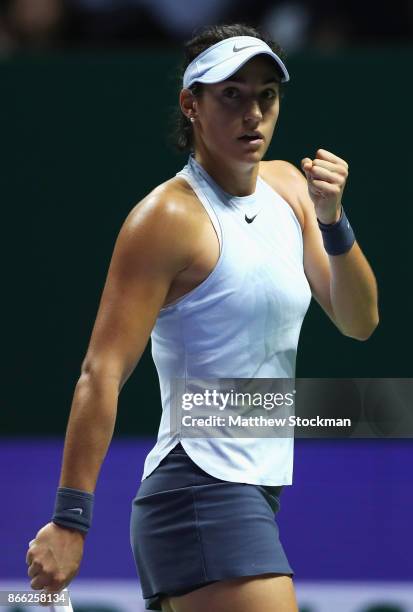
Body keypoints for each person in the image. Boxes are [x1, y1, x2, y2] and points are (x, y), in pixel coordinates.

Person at [26, 23, 379, 612]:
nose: (254, 114)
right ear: (191, 105)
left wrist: (333, 219)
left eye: (267, 95)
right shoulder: (166, 218)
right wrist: (70, 519)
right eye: (232, 95)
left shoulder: (291, 188)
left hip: (255, 487)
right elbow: (102, 372)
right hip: (200, 489)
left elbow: (359, 319)